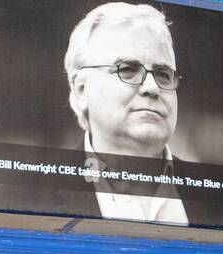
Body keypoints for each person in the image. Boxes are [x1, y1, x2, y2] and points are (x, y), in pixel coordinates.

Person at [64, 3, 187, 225]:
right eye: (127, 70)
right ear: (81, 89)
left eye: (163, 74)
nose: (152, 88)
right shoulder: (19, 195)